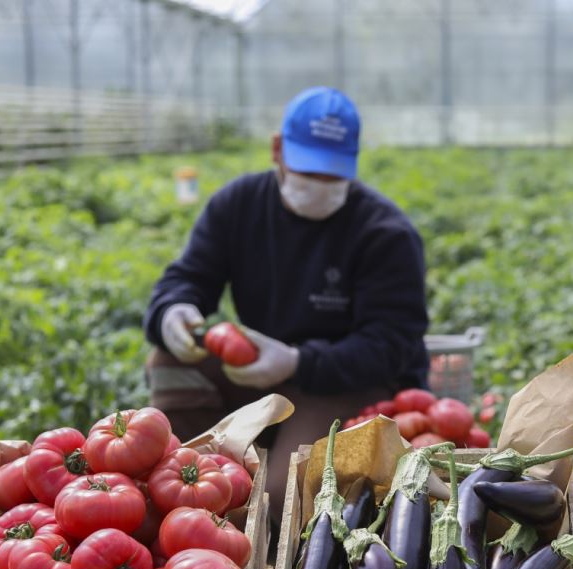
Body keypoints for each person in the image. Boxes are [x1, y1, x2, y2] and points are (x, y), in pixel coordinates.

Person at [142, 87, 429, 521]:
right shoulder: (238, 206)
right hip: (261, 372)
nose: (319, 185)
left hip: (346, 382)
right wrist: (173, 312)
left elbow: (391, 348)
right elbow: (187, 278)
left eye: (333, 175)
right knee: (168, 360)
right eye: (308, 170)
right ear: (277, 150)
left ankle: (264, 508)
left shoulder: (384, 234)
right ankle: (200, 468)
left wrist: (296, 363)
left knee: (280, 499)